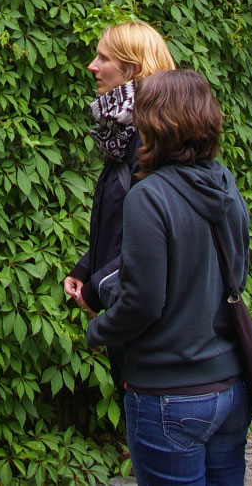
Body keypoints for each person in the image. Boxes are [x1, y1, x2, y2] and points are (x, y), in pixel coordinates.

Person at [86, 69, 252, 486]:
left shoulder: (149, 196)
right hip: (231, 388)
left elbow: (142, 302)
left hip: (169, 396)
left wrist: (99, 329)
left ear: (154, 123)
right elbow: (239, 273)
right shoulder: (225, 183)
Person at [64, 21, 176, 316]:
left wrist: (99, 287)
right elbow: (124, 223)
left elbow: (155, 241)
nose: (92, 66)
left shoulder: (155, 139)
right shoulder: (126, 132)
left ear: (134, 70)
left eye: (104, 58)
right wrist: (88, 267)